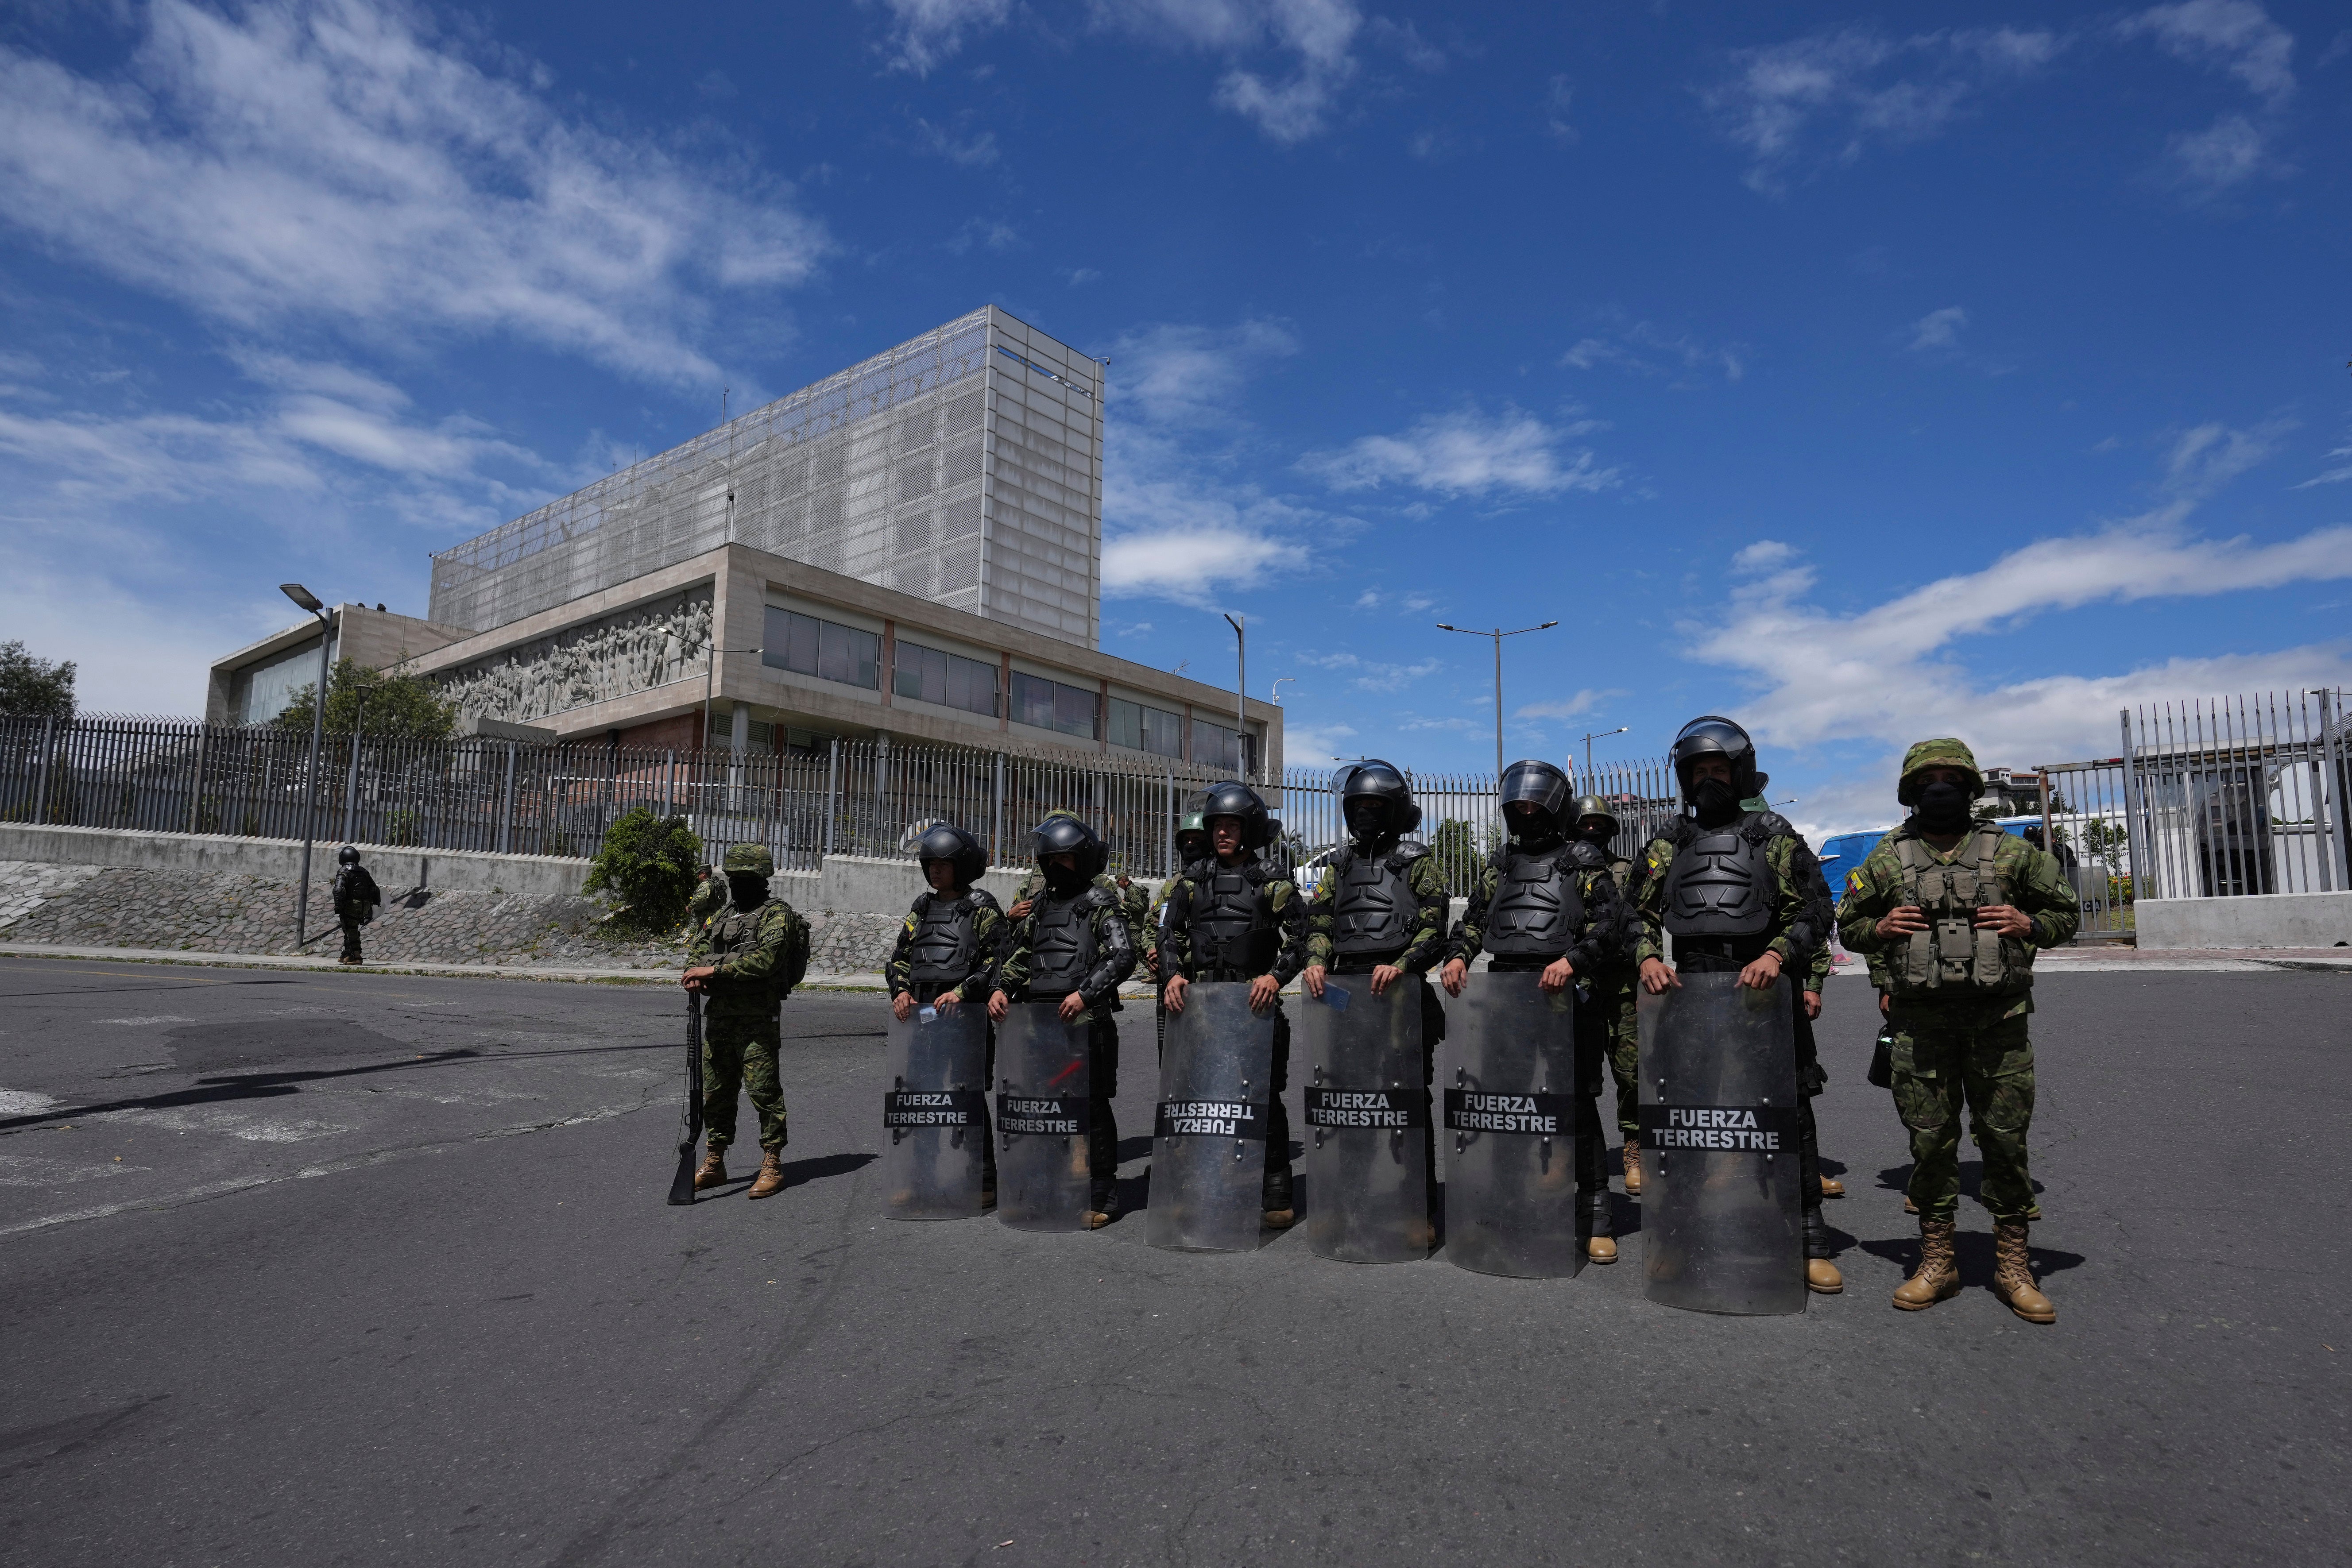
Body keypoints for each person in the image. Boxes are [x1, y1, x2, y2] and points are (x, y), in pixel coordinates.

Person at [1836, 739, 2079, 1322]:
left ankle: (2013, 1265)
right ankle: (1938, 1261)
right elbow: (1849, 926)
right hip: (1920, 1028)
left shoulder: (2015, 854)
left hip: (1998, 1025)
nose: (1938, 788)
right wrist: (1881, 927)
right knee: (1930, 1145)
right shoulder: (1886, 859)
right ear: (1910, 791)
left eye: (1950, 778)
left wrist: (2028, 921)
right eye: (1927, 779)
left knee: (2004, 1141)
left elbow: (2068, 913)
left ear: (1970, 787)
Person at [1632, 715, 1843, 1295]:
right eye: (1697, 770)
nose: (1707, 779)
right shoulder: (1668, 841)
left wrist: (1778, 955)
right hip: (1693, 984)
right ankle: (1682, 1232)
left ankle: (1806, 1236)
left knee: (1785, 1112)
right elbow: (1634, 912)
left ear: (1739, 771)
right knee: (1690, 1113)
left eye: (1717, 768)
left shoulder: (1772, 834)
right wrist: (1648, 956)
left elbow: (1816, 908)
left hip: (1763, 986)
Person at [1442, 763, 1627, 1260]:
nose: (1526, 814)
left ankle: (1594, 1214)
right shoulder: (1500, 863)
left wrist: (1571, 960)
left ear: (1554, 808)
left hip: (1567, 991)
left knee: (1577, 1104)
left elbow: (1610, 925)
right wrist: (1458, 955)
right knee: (1507, 1103)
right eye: (1518, 806)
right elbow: (1475, 919)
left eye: (1534, 806)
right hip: (1507, 992)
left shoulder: (1581, 859)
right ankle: (1511, 1200)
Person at [1299, 761, 1453, 1224]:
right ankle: (1353, 1196)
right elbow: (1321, 921)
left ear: (1394, 809)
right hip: (1347, 995)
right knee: (1348, 1100)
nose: (1364, 813)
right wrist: (1314, 960)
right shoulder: (1339, 863)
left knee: (1406, 1102)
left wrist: (1403, 964)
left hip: (1400, 994)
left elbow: (1434, 926)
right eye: (1357, 805)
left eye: (1374, 805)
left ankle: (1416, 1206)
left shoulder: (1417, 861)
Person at [1158, 783, 1307, 1227]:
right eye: (1216, 825)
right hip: (1202, 1007)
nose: (1222, 832)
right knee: (1200, 1100)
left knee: (1262, 1099)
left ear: (1249, 828)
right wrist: (1172, 975)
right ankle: (1202, 1186)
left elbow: (1301, 936)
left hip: (1253, 1007)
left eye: (1231, 825)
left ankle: (1275, 1192)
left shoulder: (1272, 879)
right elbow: (1169, 935)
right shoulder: (1189, 880)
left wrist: (1274, 976)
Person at [990, 815, 1138, 1228]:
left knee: (1090, 1108)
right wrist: (1002, 988)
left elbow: (1123, 956)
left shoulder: (1100, 903)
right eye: (1049, 858)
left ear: (1084, 859)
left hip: (1086, 1020)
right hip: (1040, 1022)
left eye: (1065, 858)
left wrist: (1084, 993)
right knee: (1045, 1107)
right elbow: (1023, 955)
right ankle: (1048, 1186)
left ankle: (1101, 1195)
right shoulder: (1040, 906)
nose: (1055, 866)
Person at [682, 845, 812, 1200]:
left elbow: (767, 960)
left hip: (757, 1018)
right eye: (734, 878)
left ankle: (772, 1163)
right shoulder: (723, 915)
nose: (738, 885)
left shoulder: (777, 915)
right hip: (720, 1016)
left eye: (746, 879)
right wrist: (695, 973)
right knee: (716, 1093)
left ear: (761, 880)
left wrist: (716, 970)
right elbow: (697, 950)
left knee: (763, 1092)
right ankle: (714, 1161)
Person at [1568, 795, 1647, 1197]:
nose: (1592, 832)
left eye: (1599, 825)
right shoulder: (1562, 868)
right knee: (1571, 1076)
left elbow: (1642, 924)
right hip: (1574, 985)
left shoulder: (1626, 870)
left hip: (1621, 985)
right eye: (1585, 825)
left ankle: (1634, 1148)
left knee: (1631, 1074)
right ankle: (1570, 1152)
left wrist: (1646, 978)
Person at [330, 845, 381, 966]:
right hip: (365, 906)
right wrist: (372, 906)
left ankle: (357, 956)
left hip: (351, 906)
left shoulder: (343, 872)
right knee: (351, 928)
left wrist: (339, 906)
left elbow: (338, 889)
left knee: (350, 929)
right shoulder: (364, 872)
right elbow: (374, 888)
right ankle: (347, 954)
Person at [685, 863, 730, 931]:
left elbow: (700, 898)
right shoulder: (713, 883)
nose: (698, 876)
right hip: (713, 914)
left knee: (702, 937)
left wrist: (689, 907)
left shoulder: (705, 885)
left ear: (704, 874)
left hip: (705, 917)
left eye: (699, 874)